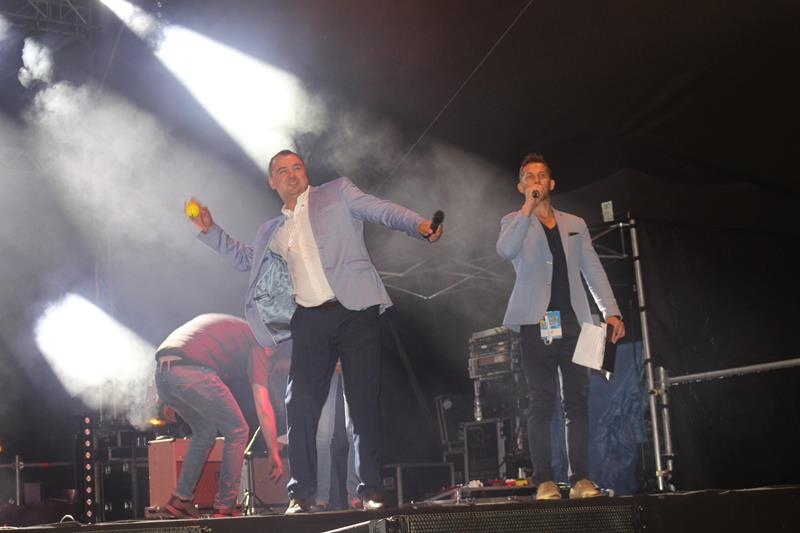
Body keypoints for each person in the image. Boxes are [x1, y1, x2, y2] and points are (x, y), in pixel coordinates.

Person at [187, 149, 443, 513]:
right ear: (272, 182)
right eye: (282, 171)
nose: (292, 174)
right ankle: (302, 493)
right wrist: (210, 230)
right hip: (310, 318)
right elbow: (245, 260)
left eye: (297, 167)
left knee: (362, 402)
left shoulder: (337, 192)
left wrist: (418, 225)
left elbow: (380, 209)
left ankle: (370, 489)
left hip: (356, 310)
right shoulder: (272, 230)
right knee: (300, 404)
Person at [496, 153, 625, 501]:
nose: (536, 180)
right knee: (542, 400)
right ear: (521, 186)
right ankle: (544, 481)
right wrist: (527, 208)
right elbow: (505, 250)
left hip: (576, 322)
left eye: (541, 175)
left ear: (551, 183)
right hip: (535, 322)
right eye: (529, 176)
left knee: (577, 402)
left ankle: (580, 478)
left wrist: (611, 312)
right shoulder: (514, 221)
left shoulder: (575, 223)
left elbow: (592, 269)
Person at [154, 313, 284, 518]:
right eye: (271, 354)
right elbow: (262, 404)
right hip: (192, 373)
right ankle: (225, 506)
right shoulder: (260, 340)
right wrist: (273, 451)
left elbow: (181, 347)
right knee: (238, 430)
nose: (268, 358)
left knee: (204, 431)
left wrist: (167, 398)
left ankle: (181, 500)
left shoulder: (230, 326)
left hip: (163, 375)